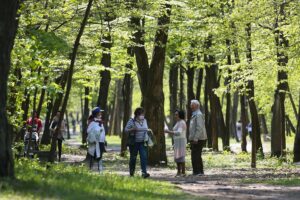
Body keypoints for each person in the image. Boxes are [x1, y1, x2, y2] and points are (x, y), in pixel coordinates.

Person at [125, 107, 150, 178]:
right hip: (134, 143)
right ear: (137, 115)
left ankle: (144, 173)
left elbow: (146, 128)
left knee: (144, 157)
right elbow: (126, 130)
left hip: (143, 142)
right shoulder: (131, 121)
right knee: (133, 158)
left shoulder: (145, 120)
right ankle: (132, 173)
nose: (143, 115)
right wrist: (132, 129)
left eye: (143, 114)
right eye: (141, 114)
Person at [165, 110, 187, 177]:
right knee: (177, 156)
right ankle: (179, 172)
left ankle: (182, 172)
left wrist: (168, 132)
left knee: (181, 156)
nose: (175, 116)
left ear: (180, 115)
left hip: (181, 141)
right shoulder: (178, 122)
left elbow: (179, 132)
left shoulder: (182, 122)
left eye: (176, 114)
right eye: (175, 114)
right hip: (177, 141)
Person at [189, 99, 207, 176]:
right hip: (195, 138)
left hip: (199, 139)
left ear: (197, 106)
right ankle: (198, 171)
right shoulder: (194, 114)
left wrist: (196, 138)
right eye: (191, 104)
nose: (191, 106)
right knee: (196, 155)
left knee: (195, 155)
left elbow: (199, 127)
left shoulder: (198, 115)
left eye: (192, 104)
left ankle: (197, 171)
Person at [87, 107, 106, 173]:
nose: (101, 113)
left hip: (101, 141)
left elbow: (103, 132)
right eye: (100, 112)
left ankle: (100, 169)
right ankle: (91, 169)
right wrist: (94, 135)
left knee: (100, 155)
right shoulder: (93, 122)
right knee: (93, 154)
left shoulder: (101, 122)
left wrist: (104, 140)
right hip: (95, 142)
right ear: (97, 114)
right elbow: (88, 131)